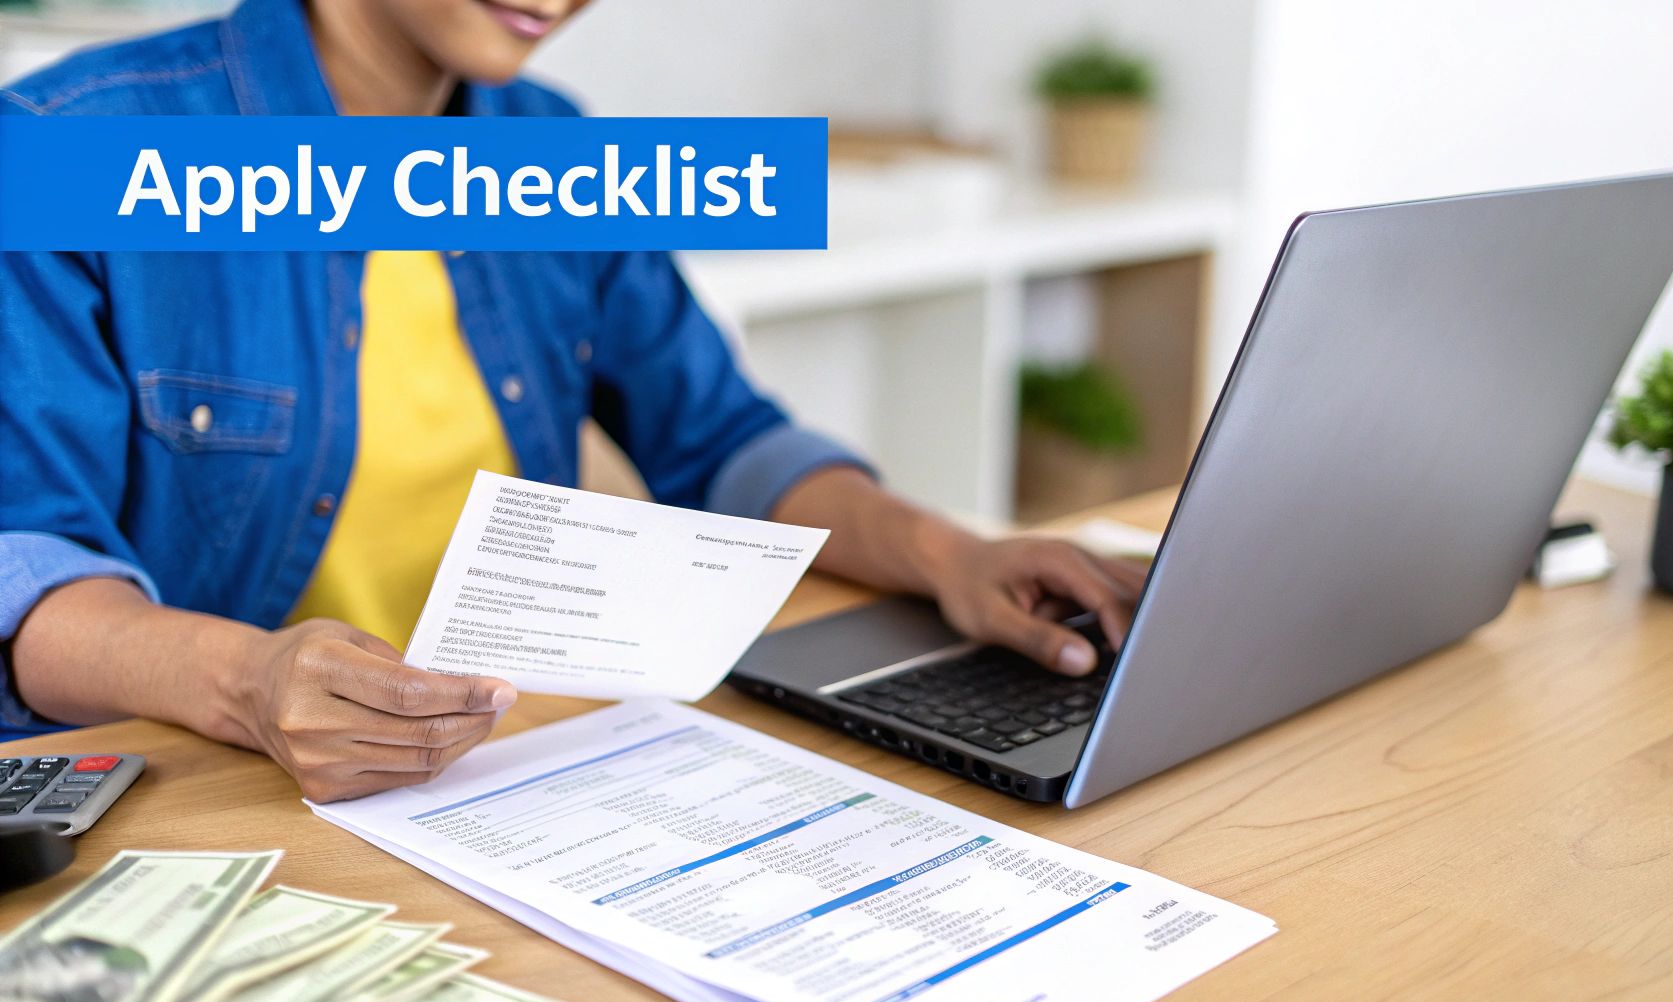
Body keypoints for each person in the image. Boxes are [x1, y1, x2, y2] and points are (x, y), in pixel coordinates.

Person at [0, 0, 1146, 800]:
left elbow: (728, 441)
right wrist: (253, 683)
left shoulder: (552, 149)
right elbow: (30, 575)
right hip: (222, 788)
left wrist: (949, 553)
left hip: (501, 770)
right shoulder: (69, 146)